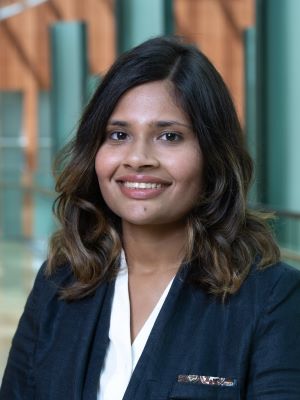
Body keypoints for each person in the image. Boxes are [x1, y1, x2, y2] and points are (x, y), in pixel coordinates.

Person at [1, 36, 300, 400]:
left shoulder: (273, 298)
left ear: (212, 154)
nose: (138, 157)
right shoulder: (58, 284)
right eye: (119, 134)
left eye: (169, 136)